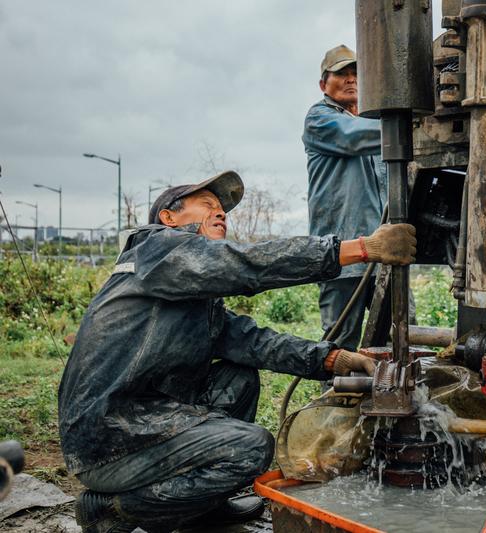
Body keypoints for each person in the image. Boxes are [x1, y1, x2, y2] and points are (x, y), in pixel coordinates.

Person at [57, 171, 416, 533]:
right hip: (109, 438)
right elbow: (246, 262)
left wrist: (335, 359)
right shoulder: (156, 249)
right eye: (207, 205)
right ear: (168, 217)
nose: (221, 213)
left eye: (222, 209)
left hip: (146, 418)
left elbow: (253, 342)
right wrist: (360, 249)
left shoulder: (193, 295)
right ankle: (114, 509)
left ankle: (201, 508)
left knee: (238, 378)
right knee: (251, 448)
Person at [302, 44, 387, 351]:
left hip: (385, 255)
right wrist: (413, 125)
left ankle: (385, 397)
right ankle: (334, 398)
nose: (351, 79)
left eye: (356, 73)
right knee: (340, 346)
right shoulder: (320, 119)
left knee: (399, 336)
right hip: (341, 255)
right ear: (324, 84)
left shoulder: (375, 123)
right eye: (342, 74)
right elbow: (354, 136)